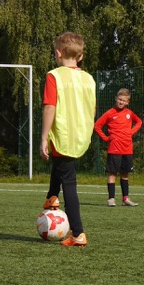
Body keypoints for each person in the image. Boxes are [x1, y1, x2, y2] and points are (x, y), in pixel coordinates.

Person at [40, 31, 96, 247]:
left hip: (63, 132)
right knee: (62, 166)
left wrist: (44, 136)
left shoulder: (54, 75)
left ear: (58, 52)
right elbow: (91, 109)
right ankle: (52, 196)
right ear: (80, 57)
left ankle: (78, 233)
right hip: (80, 134)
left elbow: (50, 106)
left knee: (69, 183)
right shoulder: (89, 78)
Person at [94, 88, 142, 207]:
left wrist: (130, 132)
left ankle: (125, 198)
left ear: (127, 102)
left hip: (127, 148)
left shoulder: (129, 113)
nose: (121, 102)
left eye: (124, 100)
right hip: (114, 148)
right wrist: (106, 138)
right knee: (112, 173)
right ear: (116, 99)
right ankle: (111, 199)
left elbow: (139, 122)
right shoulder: (110, 113)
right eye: (119, 99)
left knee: (124, 174)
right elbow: (97, 126)